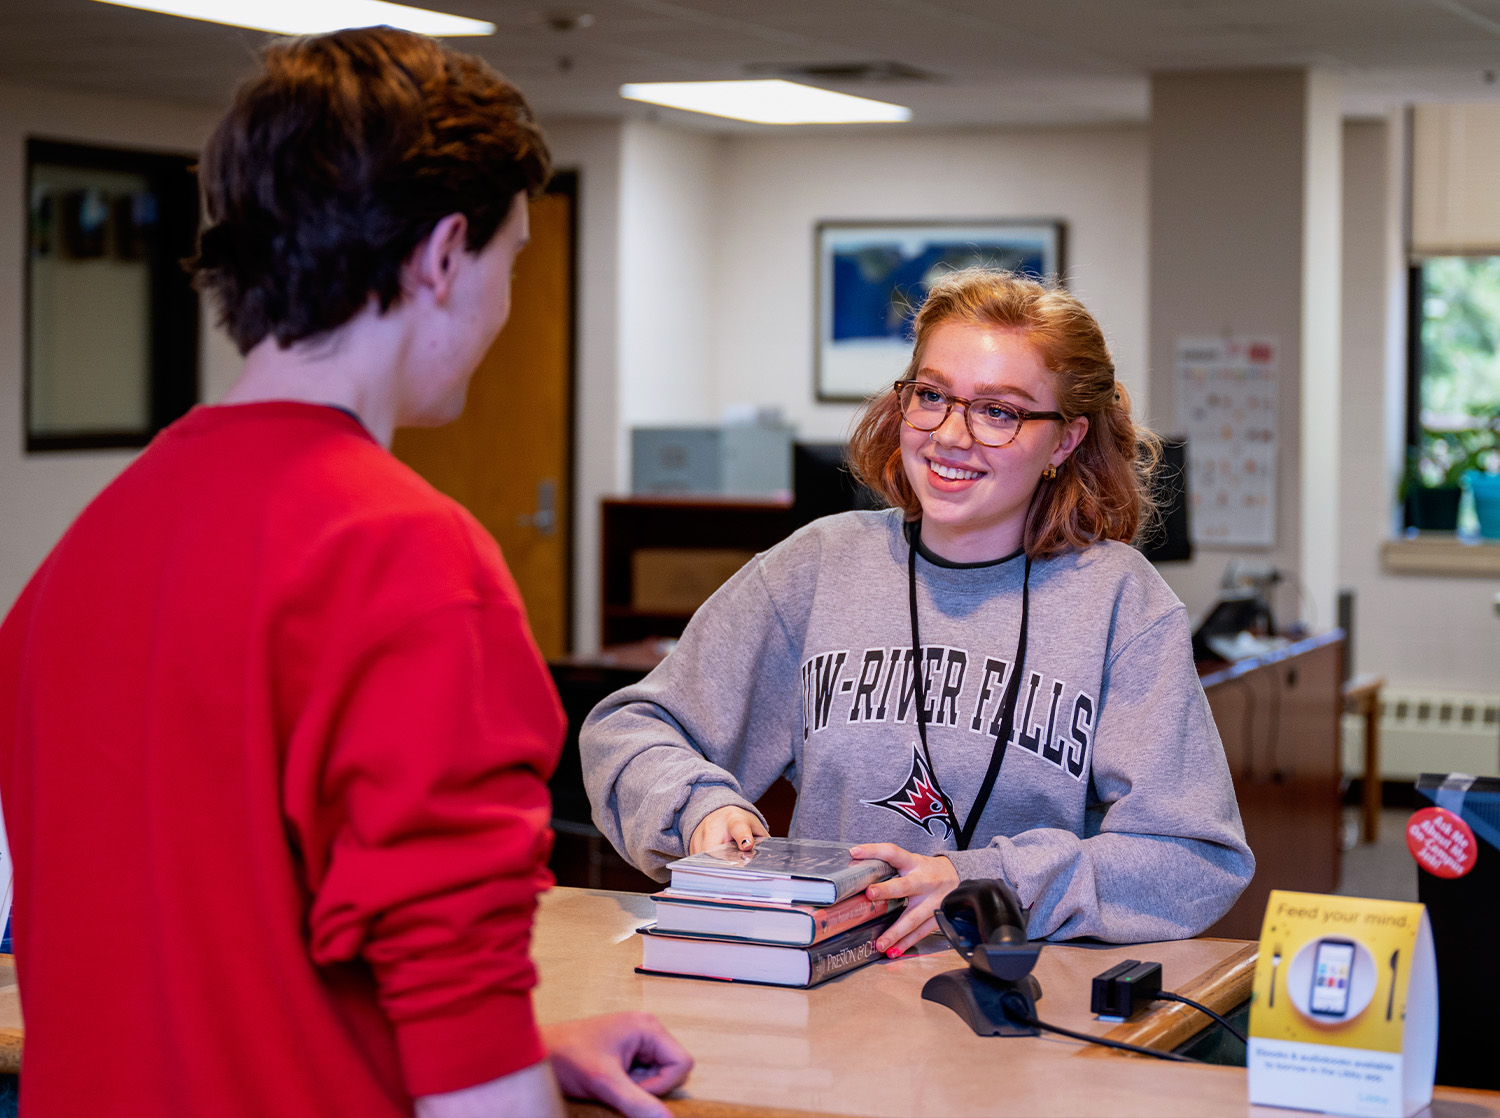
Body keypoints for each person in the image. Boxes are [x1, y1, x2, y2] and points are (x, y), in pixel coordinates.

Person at [0, 27, 690, 1118]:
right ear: (441, 255)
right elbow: (470, 1065)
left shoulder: (80, 557)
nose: (503, 308)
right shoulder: (409, 558)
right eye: (510, 259)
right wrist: (502, 1065)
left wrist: (532, 1039)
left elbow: (216, 956)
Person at [581, 268, 1254, 951]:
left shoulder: (1120, 603)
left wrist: (985, 884)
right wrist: (700, 805)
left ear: (1065, 441)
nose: (951, 435)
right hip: (828, 999)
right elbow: (628, 730)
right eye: (932, 396)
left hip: (1021, 1006)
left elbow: (1192, 856)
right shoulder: (818, 567)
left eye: (999, 411)